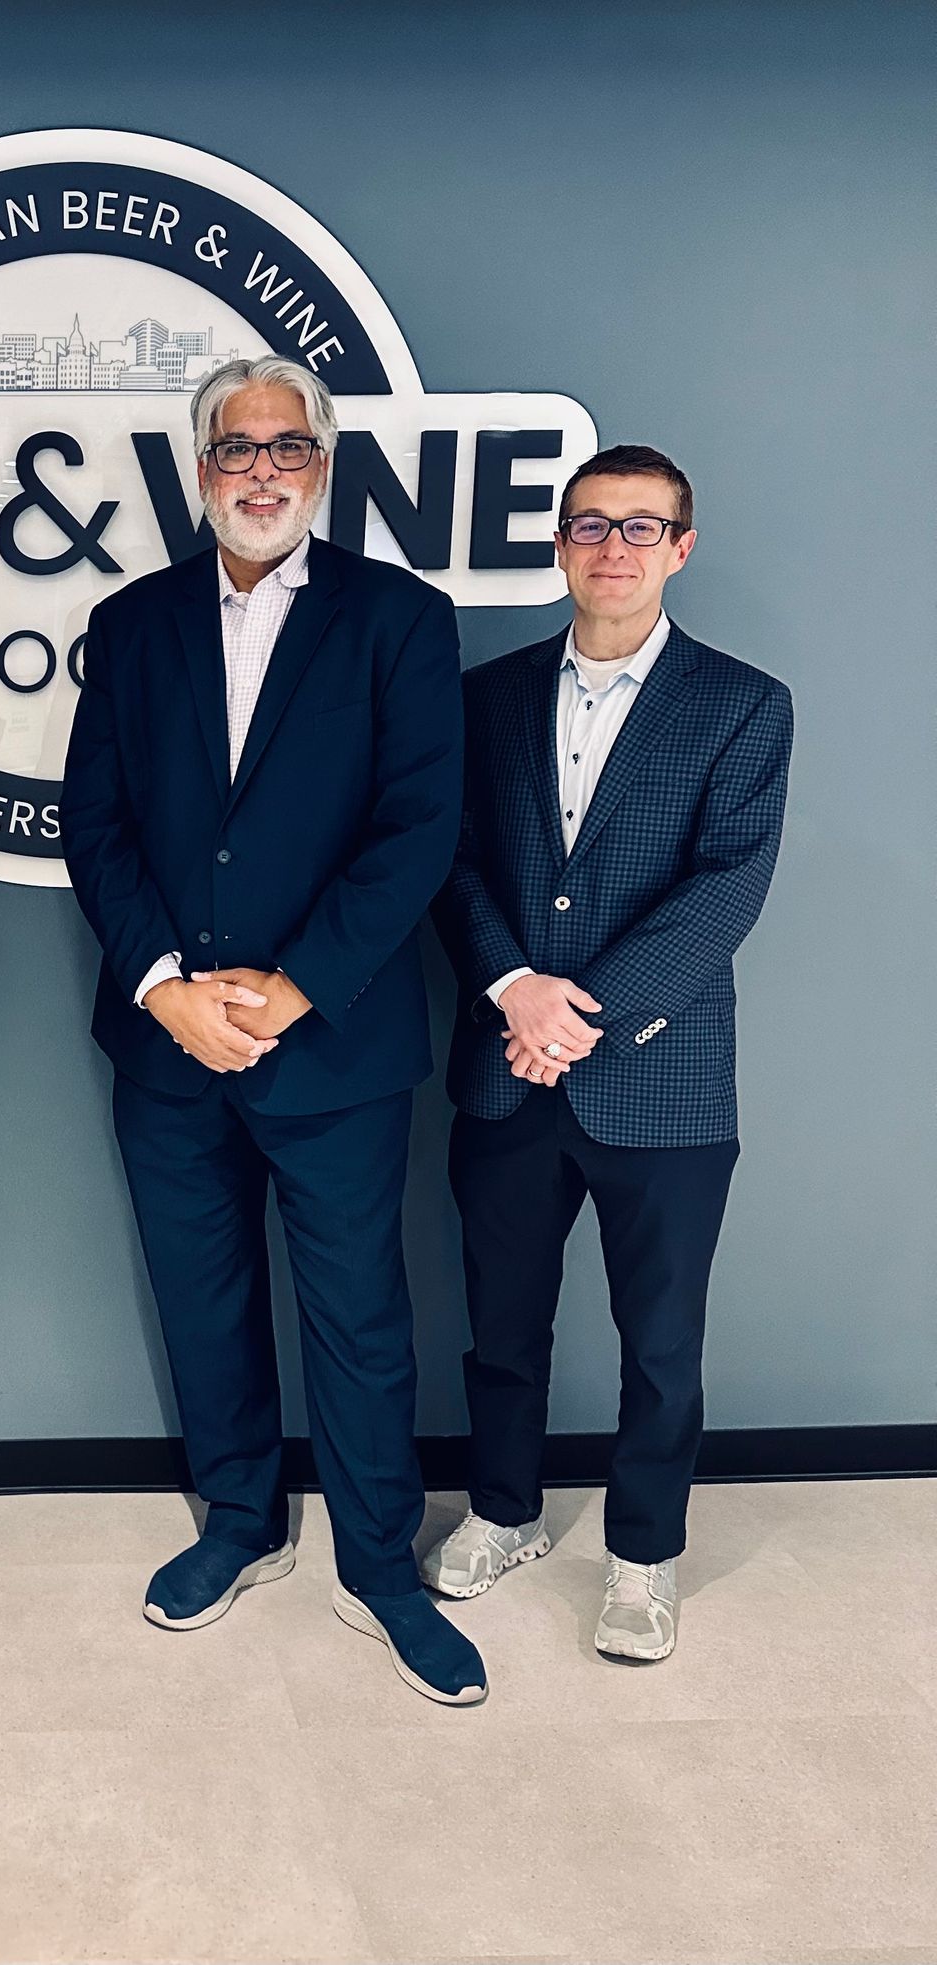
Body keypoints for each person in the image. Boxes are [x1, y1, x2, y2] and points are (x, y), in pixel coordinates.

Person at [62, 356, 484, 1705]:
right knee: (204, 1301)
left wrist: (293, 987)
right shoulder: (132, 624)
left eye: (287, 446)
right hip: (169, 1048)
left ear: (322, 465)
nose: (262, 470)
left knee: (359, 1315)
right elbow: (96, 827)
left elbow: (418, 829)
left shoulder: (400, 620)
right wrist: (166, 987)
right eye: (236, 448)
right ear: (201, 471)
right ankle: (238, 1522)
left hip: (335, 1044)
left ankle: (381, 1565)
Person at [424, 443, 792, 1660]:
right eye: (590, 524)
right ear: (560, 544)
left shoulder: (743, 703)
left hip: (663, 1081)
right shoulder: (484, 697)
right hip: (503, 1069)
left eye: (641, 527)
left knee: (663, 1344)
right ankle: (504, 1513)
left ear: (681, 548)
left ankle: (643, 1556)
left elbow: (725, 889)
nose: (613, 547)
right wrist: (514, 991)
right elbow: (450, 862)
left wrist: (577, 1015)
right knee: (501, 1327)